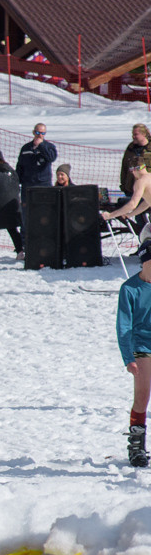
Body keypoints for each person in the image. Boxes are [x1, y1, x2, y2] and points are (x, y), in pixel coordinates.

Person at [117, 244, 151, 468]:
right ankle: (136, 446)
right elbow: (123, 326)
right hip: (142, 346)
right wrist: (128, 357)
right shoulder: (130, 289)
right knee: (142, 394)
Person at [17, 123, 58, 193]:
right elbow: (20, 165)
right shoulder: (26, 148)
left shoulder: (49, 147)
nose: (40, 135)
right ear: (33, 132)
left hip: (43, 184)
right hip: (28, 184)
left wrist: (41, 146)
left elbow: (51, 158)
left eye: (43, 133)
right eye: (37, 132)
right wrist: (18, 180)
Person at [123, 124, 149, 196]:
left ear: (143, 134)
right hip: (131, 190)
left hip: (147, 190)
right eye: (132, 134)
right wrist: (124, 187)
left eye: (136, 134)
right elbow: (124, 168)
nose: (133, 137)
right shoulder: (130, 148)